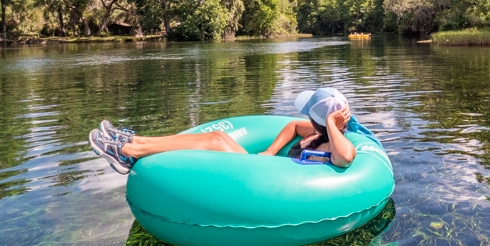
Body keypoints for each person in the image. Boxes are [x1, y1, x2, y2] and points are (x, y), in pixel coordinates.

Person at [89, 87, 357, 175]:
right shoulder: (314, 132)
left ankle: (127, 152)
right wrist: (270, 150)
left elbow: (344, 158)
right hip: (264, 168)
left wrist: (333, 125)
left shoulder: (335, 144)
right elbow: (290, 126)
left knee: (217, 139)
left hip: (267, 182)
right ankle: (133, 140)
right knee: (216, 137)